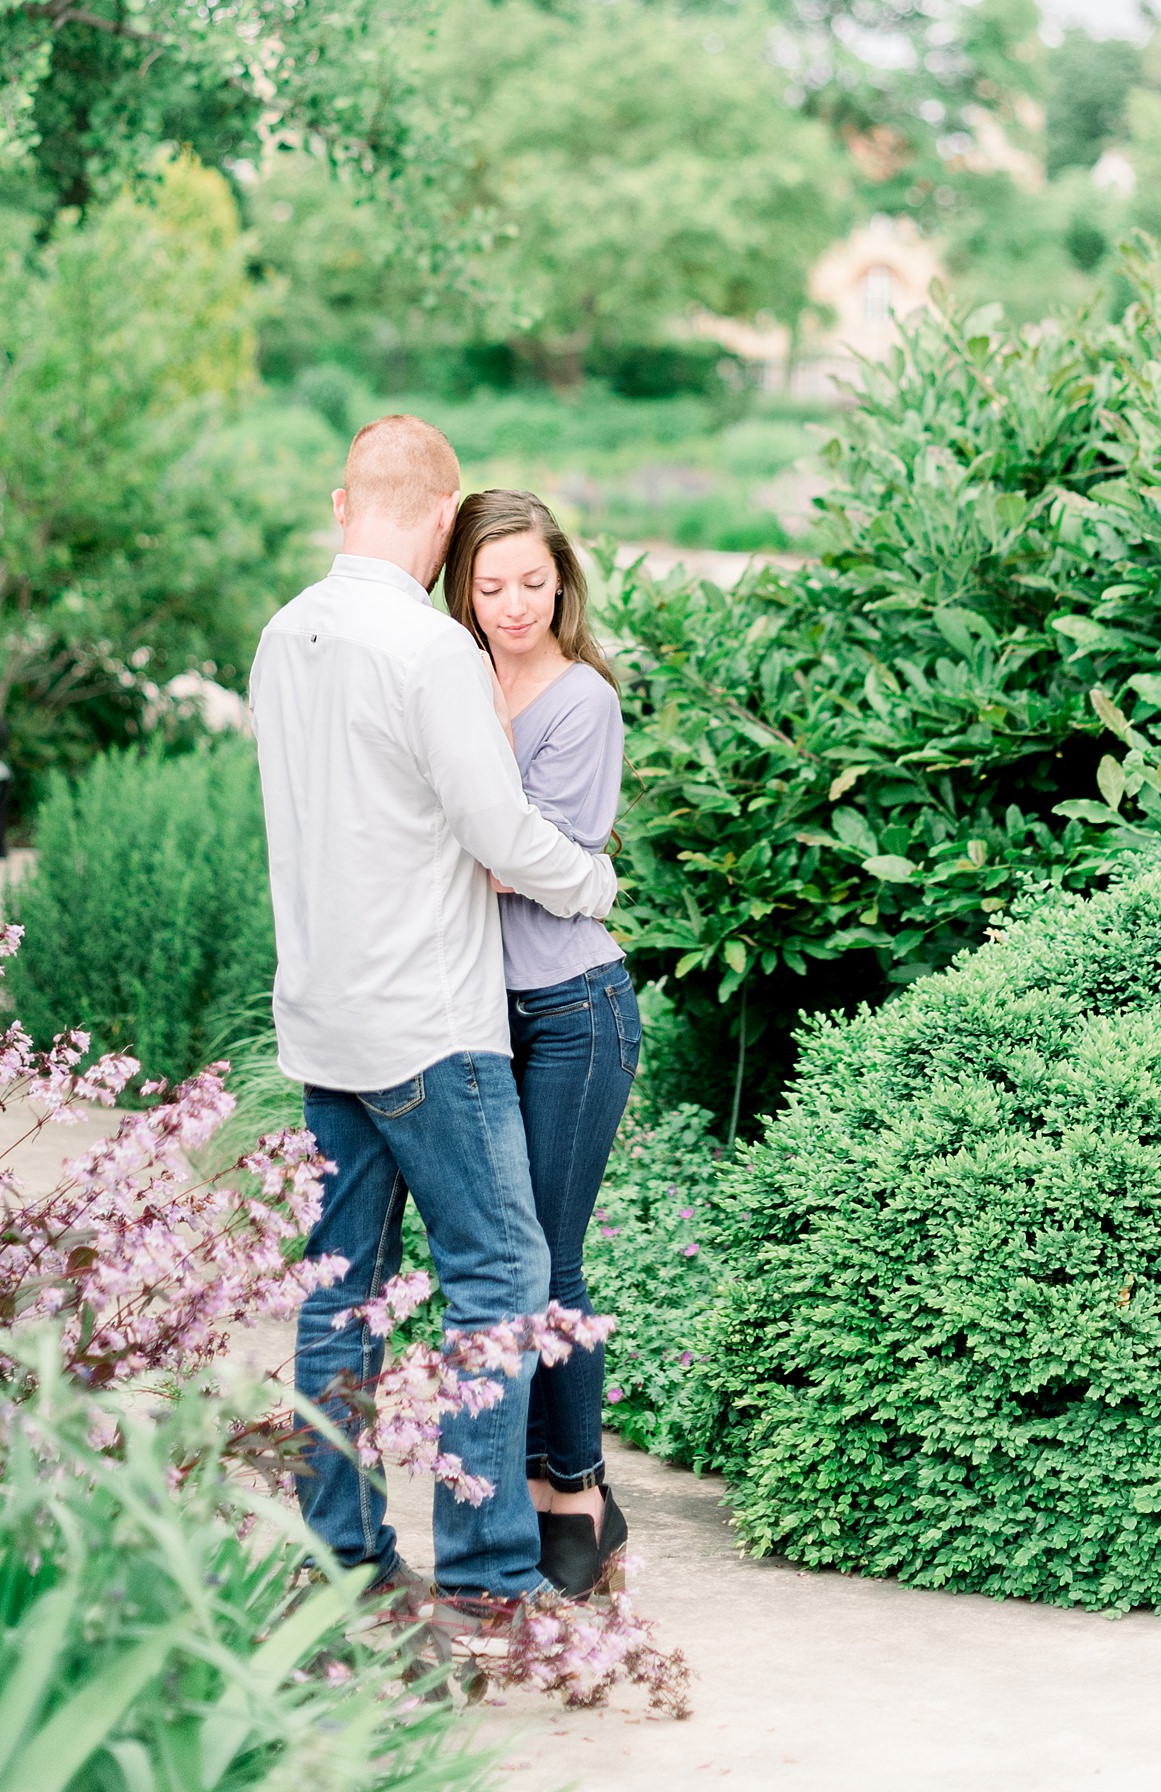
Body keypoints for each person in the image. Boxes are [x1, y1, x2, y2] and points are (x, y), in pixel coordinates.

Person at [248, 414, 618, 1626]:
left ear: (341, 502)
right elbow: (503, 834)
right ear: (452, 512)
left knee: (340, 1290)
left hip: (321, 1017)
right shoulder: (428, 651)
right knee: (502, 1273)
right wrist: (595, 883)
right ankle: (488, 1572)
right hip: (427, 1025)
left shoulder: (283, 634)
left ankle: (345, 1563)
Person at [443, 489, 639, 1601]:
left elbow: (527, 860)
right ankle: (528, 1480)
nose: (514, 605)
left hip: (572, 1011)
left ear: (561, 580)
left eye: (532, 581)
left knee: (550, 1261)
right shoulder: (456, 680)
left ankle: (576, 1494)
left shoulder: (579, 703)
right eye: (489, 584)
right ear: (461, 589)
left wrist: (437, 835)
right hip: (478, 1015)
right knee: (499, 1266)